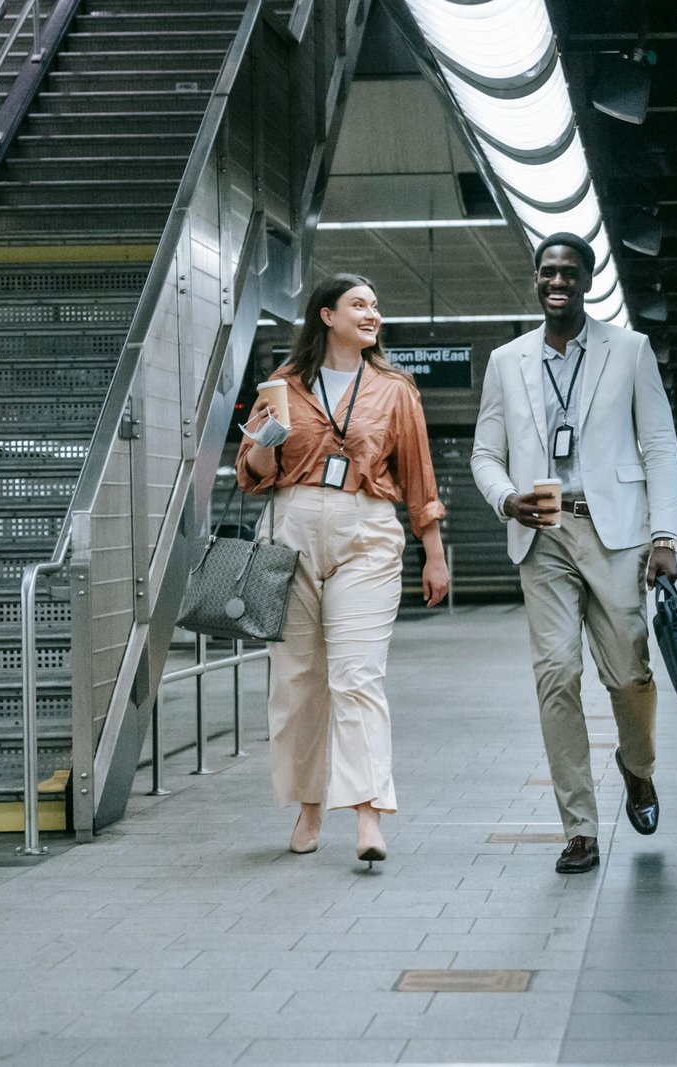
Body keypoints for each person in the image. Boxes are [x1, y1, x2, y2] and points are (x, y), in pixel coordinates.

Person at [471, 232, 677, 873]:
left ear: (587, 281)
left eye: (568, 272)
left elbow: (659, 444)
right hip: (543, 536)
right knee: (556, 676)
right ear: (536, 281)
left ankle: (637, 769)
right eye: (546, 272)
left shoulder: (630, 350)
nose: (556, 281)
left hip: (617, 534)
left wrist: (665, 536)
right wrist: (507, 499)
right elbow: (485, 454)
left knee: (629, 674)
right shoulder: (508, 361)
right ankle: (580, 829)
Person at [237, 273, 449, 865]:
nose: (372, 314)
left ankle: (367, 813)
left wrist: (433, 552)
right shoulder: (283, 385)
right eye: (359, 305)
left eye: (376, 306)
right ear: (326, 316)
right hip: (291, 526)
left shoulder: (394, 389)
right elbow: (252, 473)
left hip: (367, 531)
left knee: (357, 675)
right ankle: (308, 806)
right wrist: (261, 440)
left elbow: (418, 474)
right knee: (298, 679)